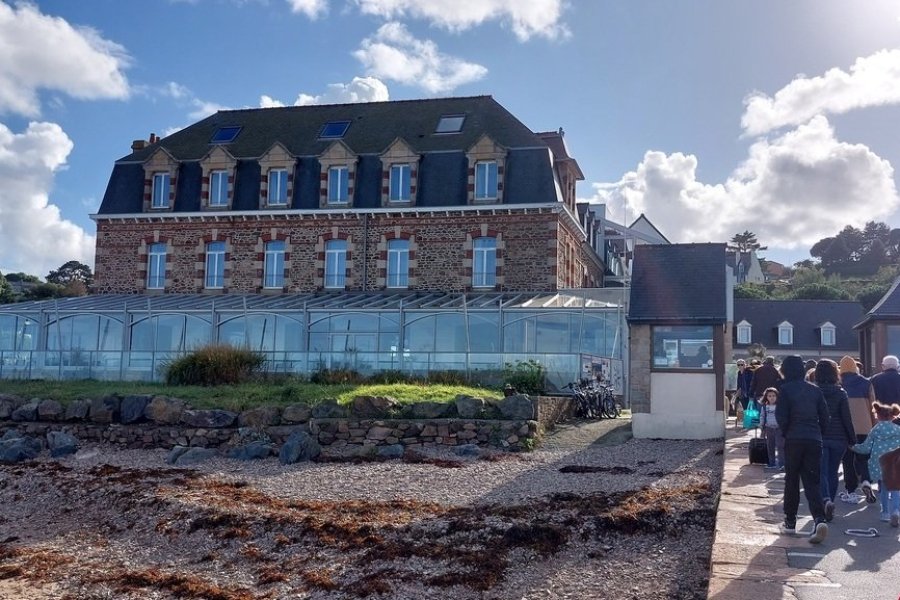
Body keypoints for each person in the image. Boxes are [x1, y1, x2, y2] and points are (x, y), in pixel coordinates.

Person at [776, 355, 830, 543]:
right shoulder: (815, 391)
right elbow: (825, 418)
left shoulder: (785, 390)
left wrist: (786, 432)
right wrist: (818, 433)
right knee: (812, 482)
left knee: (791, 481)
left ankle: (790, 522)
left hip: (794, 439)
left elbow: (781, 417)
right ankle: (819, 519)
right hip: (814, 438)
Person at [814, 359, 855, 522]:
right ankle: (830, 500)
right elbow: (847, 418)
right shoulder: (841, 392)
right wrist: (852, 438)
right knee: (833, 472)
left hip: (820, 436)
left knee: (821, 472)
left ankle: (825, 500)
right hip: (839, 438)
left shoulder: (814, 391)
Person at [852, 402, 900, 527]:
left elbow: (866, 448)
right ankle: (896, 511)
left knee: (884, 489)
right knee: (895, 489)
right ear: (892, 416)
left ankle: (885, 513)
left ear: (877, 415)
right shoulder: (898, 429)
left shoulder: (875, 430)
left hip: (880, 463)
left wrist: (854, 447)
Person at [839, 355, 876, 504]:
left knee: (847, 460)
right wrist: (873, 425)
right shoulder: (867, 383)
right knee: (863, 458)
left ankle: (851, 490)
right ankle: (866, 481)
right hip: (865, 426)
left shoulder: (839, 384)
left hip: (845, 428)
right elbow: (873, 405)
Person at [759, 387, 784, 471]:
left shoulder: (780, 407)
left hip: (779, 428)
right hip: (769, 428)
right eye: (769, 396)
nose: (772, 397)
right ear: (766, 397)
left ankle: (782, 463)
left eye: (773, 395)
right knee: (770, 446)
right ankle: (772, 463)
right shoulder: (765, 407)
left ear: (777, 397)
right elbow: (762, 416)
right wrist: (762, 426)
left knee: (780, 446)